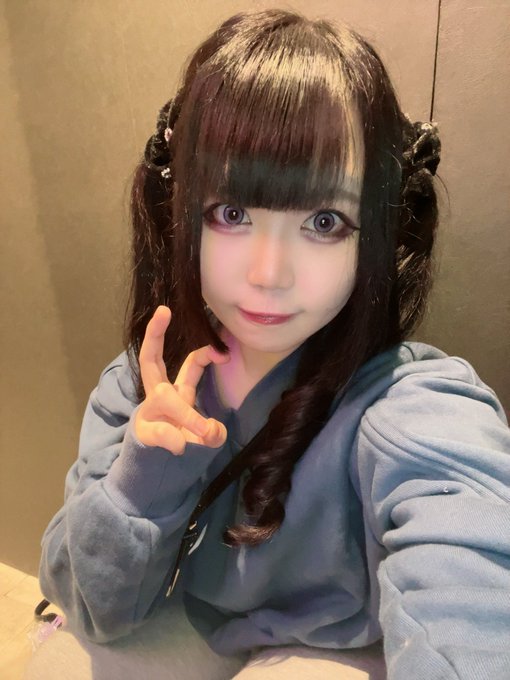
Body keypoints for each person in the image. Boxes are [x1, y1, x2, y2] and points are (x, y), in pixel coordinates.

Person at [27, 8, 510, 680]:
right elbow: (90, 606)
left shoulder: (410, 405)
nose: (268, 273)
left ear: (374, 234)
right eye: (231, 213)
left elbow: (471, 580)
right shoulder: (143, 386)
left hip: (334, 651)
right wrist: (144, 476)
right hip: (199, 628)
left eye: (324, 221)